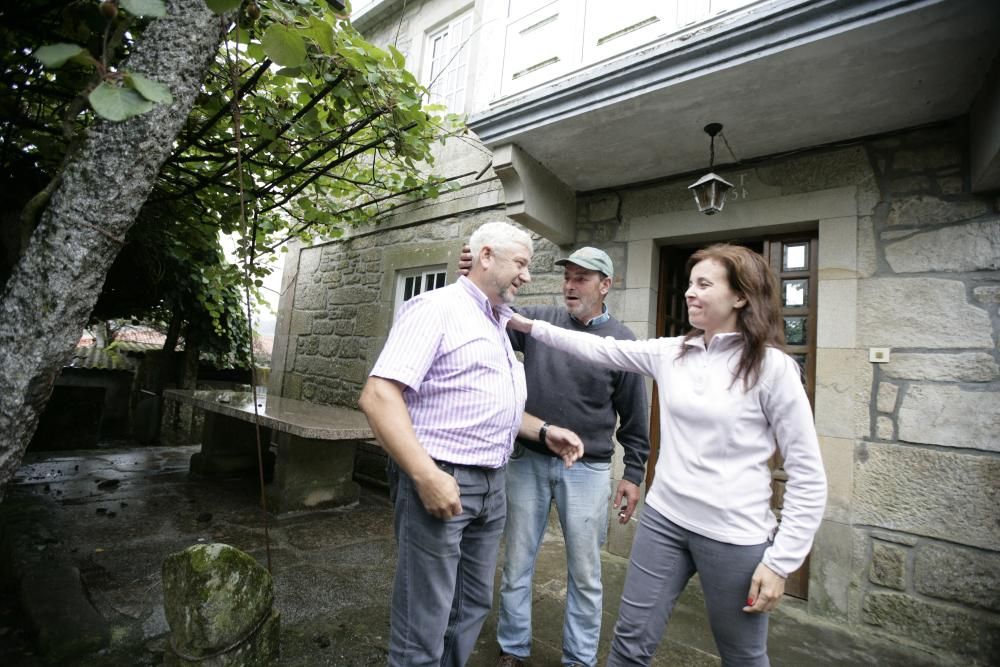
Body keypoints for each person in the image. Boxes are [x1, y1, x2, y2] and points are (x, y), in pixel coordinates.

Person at [507, 243, 828, 666]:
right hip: (664, 522)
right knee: (629, 643)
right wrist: (520, 320)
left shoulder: (772, 369)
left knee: (743, 655)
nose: (689, 293)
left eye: (704, 284)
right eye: (690, 283)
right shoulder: (673, 352)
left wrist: (781, 561)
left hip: (734, 537)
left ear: (740, 296)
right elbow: (593, 348)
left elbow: (808, 476)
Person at [359, 221, 583, 667]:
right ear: (485, 257)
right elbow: (379, 396)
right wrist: (425, 476)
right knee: (423, 618)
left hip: (492, 483)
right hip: (444, 477)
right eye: (520, 263)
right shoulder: (437, 308)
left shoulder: (497, 320)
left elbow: (483, 403)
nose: (526, 275)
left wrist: (542, 431)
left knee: (470, 606)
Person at [487, 247, 650, 667]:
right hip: (529, 460)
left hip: (588, 470)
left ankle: (578, 659)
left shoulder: (622, 341)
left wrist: (634, 472)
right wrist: (477, 271)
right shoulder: (541, 320)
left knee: (586, 574)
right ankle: (512, 648)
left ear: (605, 285)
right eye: (568, 277)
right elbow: (493, 312)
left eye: (581, 278)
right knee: (517, 561)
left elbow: (634, 414)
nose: (570, 285)